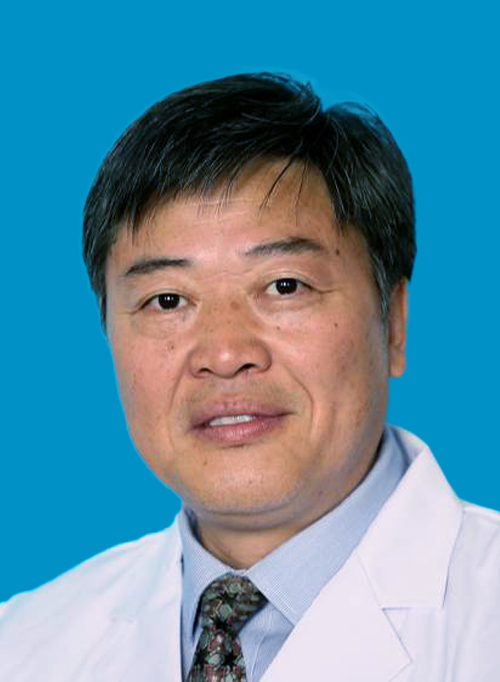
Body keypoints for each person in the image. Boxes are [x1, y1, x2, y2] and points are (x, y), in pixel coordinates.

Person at [1, 72, 499, 682]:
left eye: (284, 286)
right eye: (167, 300)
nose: (224, 352)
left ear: (393, 323)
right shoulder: (22, 646)